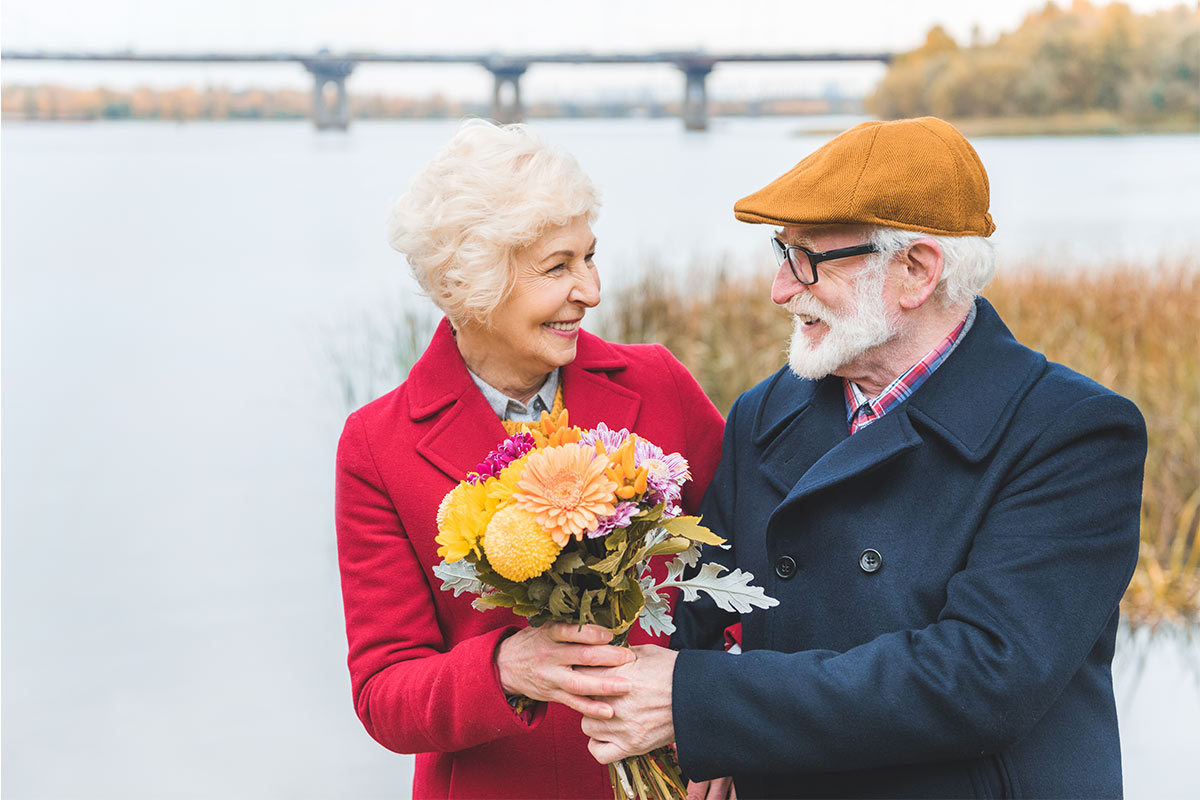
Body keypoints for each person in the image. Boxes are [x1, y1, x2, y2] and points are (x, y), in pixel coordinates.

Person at [579, 116, 1146, 799]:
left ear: (915, 271)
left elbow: (979, 679)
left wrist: (705, 704)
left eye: (809, 260)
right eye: (780, 253)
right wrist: (719, 735)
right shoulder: (767, 412)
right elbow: (710, 610)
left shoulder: (1072, 433)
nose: (781, 289)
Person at [334, 119, 725, 800]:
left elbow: (753, 569)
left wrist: (724, 724)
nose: (592, 290)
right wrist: (507, 667)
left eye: (589, 257)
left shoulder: (660, 383)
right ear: (472, 286)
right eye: (558, 267)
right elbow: (384, 693)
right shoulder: (376, 445)